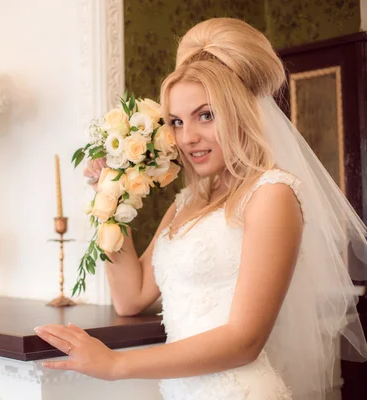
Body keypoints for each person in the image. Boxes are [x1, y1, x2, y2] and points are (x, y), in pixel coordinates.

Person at [34, 18, 367, 399]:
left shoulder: (272, 193)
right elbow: (131, 296)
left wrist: (116, 365)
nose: (188, 137)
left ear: (239, 111)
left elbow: (245, 341)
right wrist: (110, 195)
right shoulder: (187, 201)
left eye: (205, 115)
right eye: (176, 121)